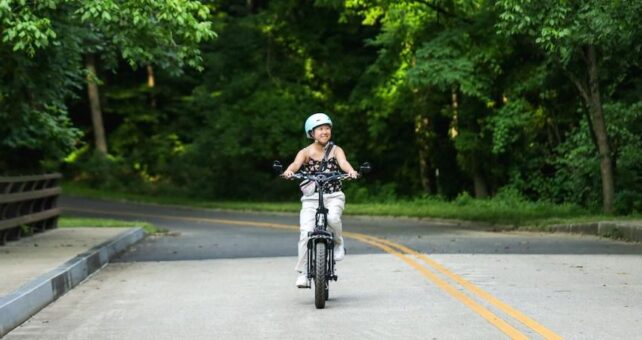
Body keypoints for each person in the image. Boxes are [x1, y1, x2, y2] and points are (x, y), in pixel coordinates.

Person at [282, 113, 358, 288]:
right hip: (311, 199)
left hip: (334, 196)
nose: (325, 132)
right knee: (305, 232)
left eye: (327, 128)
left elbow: (344, 163)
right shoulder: (305, 152)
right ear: (312, 133)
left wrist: (351, 171)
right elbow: (295, 165)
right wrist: (288, 171)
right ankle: (303, 272)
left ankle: (339, 243)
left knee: (332, 219)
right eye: (320, 129)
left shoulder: (336, 150)